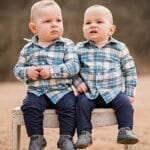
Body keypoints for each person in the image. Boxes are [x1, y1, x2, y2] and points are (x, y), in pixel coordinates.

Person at [13, 0, 79, 150]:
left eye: (58, 20)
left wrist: (52, 71)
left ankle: (66, 138)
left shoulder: (66, 45)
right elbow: (17, 69)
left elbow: (74, 66)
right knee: (29, 106)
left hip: (62, 90)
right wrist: (27, 72)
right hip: (37, 91)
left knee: (70, 107)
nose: (55, 24)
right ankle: (36, 138)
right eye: (48, 21)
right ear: (34, 28)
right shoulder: (28, 49)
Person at [73, 5, 139, 149]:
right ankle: (84, 133)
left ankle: (125, 130)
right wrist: (78, 83)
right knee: (80, 104)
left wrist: (129, 92)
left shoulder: (119, 48)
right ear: (83, 28)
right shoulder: (79, 48)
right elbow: (72, 70)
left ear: (111, 29)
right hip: (88, 93)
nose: (93, 25)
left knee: (125, 103)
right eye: (88, 23)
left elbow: (130, 71)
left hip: (113, 92)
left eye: (99, 22)